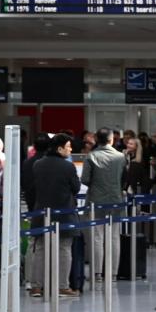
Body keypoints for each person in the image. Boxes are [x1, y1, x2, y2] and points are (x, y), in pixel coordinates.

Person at [28, 134, 81, 298]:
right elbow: (76, 188)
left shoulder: (37, 164)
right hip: (64, 214)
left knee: (41, 250)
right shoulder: (68, 167)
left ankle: (37, 286)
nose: (71, 149)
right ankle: (62, 286)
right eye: (68, 146)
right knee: (64, 249)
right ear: (59, 148)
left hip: (42, 213)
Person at [81, 128, 126, 283]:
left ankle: (97, 273)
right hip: (116, 200)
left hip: (96, 201)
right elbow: (124, 180)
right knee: (114, 237)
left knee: (97, 238)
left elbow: (85, 179)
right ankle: (113, 273)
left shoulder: (91, 156)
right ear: (111, 140)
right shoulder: (121, 157)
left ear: (96, 140)